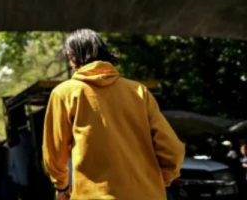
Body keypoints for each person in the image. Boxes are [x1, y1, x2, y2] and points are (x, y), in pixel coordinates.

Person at [43, 29, 185, 200]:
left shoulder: (64, 93)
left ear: (73, 57)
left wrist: (62, 185)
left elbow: (55, 151)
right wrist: (164, 178)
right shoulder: (138, 91)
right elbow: (172, 147)